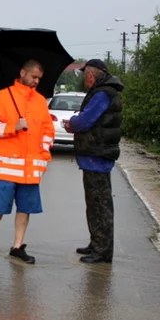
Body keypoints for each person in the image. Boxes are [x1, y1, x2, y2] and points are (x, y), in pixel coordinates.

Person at [0, 60, 55, 264]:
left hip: (31, 169)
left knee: (25, 208)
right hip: (6, 169)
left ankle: (17, 247)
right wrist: (14, 126)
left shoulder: (40, 101)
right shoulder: (2, 97)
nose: (36, 81)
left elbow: (48, 131)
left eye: (39, 78)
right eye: (33, 77)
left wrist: (44, 156)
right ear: (22, 73)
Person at [62, 59, 124, 264]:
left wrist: (72, 123)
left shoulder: (102, 93)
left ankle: (102, 251)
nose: (84, 78)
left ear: (93, 74)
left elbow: (86, 120)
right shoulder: (104, 91)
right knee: (94, 203)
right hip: (95, 156)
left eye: (85, 74)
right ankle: (96, 243)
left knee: (100, 205)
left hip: (97, 155)